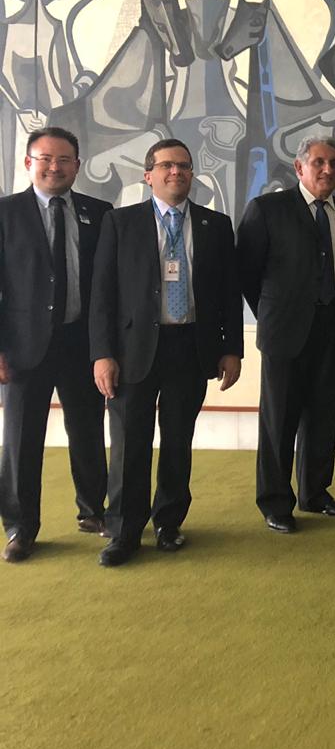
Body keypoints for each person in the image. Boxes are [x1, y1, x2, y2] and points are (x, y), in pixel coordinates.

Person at [89, 138, 242, 567]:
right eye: (167, 165)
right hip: (132, 351)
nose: (177, 172)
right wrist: (102, 353)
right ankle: (123, 532)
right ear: (148, 174)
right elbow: (102, 294)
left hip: (190, 348)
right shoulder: (120, 223)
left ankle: (169, 523)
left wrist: (232, 349)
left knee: (178, 441)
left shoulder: (216, 225)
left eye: (184, 166)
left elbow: (229, 293)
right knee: (129, 444)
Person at [237, 136, 335, 534]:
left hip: (333, 326)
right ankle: (275, 503)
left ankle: (315, 493)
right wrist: (274, 313)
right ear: (299, 167)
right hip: (284, 333)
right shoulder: (267, 209)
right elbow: (246, 273)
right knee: (279, 420)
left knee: (323, 416)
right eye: (319, 162)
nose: (328, 170)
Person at [0, 127, 110, 563]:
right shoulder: (6, 213)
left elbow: (108, 285)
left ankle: (93, 512)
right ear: (29, 163)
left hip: (82, 342)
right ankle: (20, 527)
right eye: (45, 158)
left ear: (77, 166)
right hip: (24, 346)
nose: (54, 167)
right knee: (21, 439)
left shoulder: (100, 213)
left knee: (88, 431)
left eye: (64, 159)